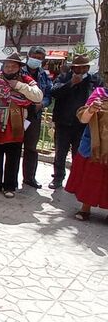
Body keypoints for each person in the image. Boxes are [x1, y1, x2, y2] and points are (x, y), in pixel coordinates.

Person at [0, 53, 43, 199]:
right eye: (7, 66)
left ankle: (10, 185)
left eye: (13, 66)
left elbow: (38, 96)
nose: (9, 68)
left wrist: (18, 86)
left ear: (19, 68)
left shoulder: (25, 80)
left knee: (13, 154)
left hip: (14, 123)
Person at [50, 54, 103, 189]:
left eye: (84, 67)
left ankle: (76, 180)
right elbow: (54, 92)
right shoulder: (64, 77)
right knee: (60, 153)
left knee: (79, 154)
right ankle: (57, 178)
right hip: (64, 122)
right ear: (73, 68)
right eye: (78, 68)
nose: (81, 70)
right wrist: (71, 83)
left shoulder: (94, 80)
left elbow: (100, 97)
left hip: (83, 125)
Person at [64, 86, 108, 221]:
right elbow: (83, 119)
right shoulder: (100, 93)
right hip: (94, 146)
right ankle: (85, 209)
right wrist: (91, 110)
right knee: (91, 176)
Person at [21, 46, 52, 189]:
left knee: (31, 148)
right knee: (13, 147)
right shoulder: (19, 70)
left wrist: (42, 104)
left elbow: (48, 95)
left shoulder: (44, 75)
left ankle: (29, 178)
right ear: (28, 56)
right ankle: (9, 180)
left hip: (34, 116)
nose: (37, 60)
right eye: (35, 56)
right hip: (18, 114)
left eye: (40, 58)